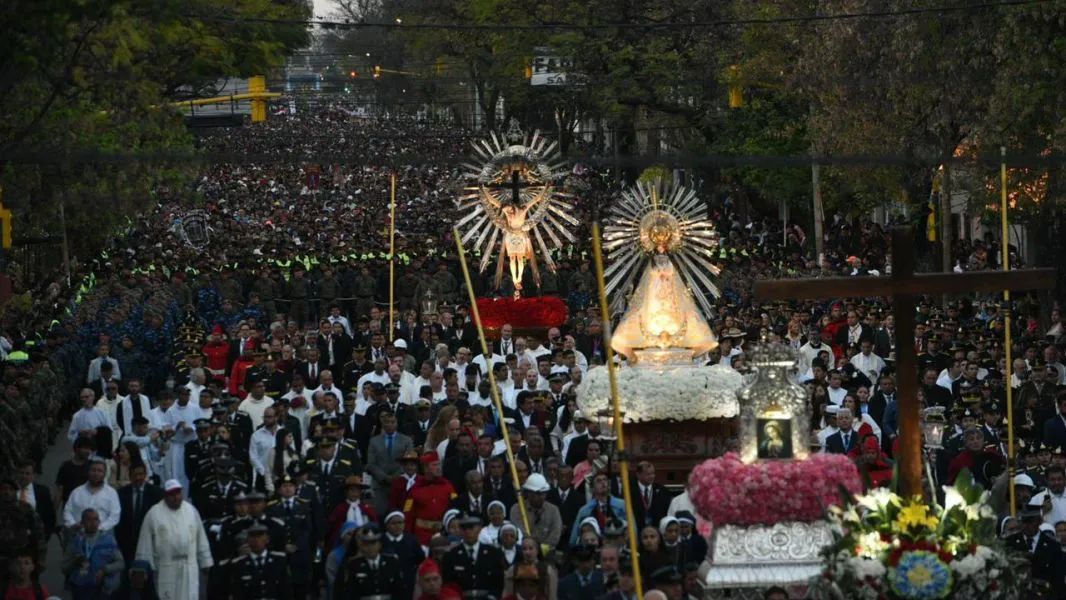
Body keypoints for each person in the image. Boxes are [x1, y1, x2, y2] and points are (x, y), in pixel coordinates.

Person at [135, 479, 213, 600]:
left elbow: (201, 538)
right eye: (172, 495)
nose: (176, 497)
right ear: (165, 496)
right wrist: (143, 568)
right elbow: (145, 543)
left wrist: (205, 561)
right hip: (166, 568)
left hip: (189, 567)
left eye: (178, 493)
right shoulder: (154, 514)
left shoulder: (191, 511)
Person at [61, 508, 125, 600]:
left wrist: (105, 570)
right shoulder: (75, 541)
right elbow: (63, 568)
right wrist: (75, 562)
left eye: (95, 519)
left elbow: (121, 563)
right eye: (89, 520)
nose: (93, 523)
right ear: (82, 522)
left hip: (102, 588)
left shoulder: (108, 540)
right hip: (80, 588)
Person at [442, 514, 508, 599]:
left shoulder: (494, 553)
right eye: (464, 528)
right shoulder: (451, 555)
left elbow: (499, 582)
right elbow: (448, 583)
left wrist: (492, 597)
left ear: (479, 529)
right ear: (460, 530)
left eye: (471, 528)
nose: (468, 532)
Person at [333, 525, 408, 600]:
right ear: (362, 546)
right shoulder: (353, 565)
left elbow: (400, 591)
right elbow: (348, 594)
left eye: (373, 543)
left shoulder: (392, 562)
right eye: (366, 544)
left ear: (380, 544)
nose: (370, 547)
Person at [226, 523, 294, 600]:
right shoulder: (239, 564)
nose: (256, 540)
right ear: (248, 540)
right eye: (252, 536)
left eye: (260, 536)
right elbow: (237, 593)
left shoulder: (279, 560)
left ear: (267, 539)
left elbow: (287, 591)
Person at [62, 460, 121, 539]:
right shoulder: (77, 492)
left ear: (104, 474)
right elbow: (67, 511)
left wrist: (99, 528)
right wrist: (73, 524)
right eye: (93, 470)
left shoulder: (111, 493)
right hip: (77, 535)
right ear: (88, 472)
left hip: (102, 536)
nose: (96, 473)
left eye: (100, 471)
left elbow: (115, 515)